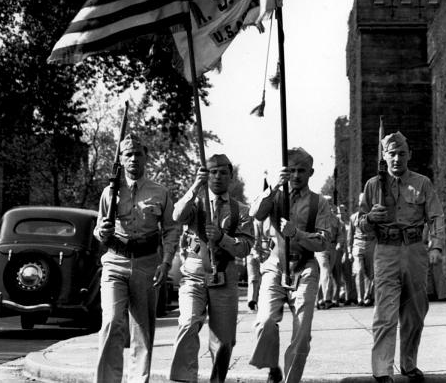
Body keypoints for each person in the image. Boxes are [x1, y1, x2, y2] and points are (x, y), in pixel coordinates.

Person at [357, 131, 444, 383]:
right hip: (386, 251)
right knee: (385, 313)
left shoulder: (422, 183)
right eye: (392, 154)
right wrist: (371, 218)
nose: (397, 158)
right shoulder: (373, 185)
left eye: (402, 154)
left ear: (409, 155)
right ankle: (383, 369)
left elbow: (436, 216)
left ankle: (408, 363)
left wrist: (436, 246)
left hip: (415, 250)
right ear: (384, 157)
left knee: (415, 311)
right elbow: (361, 223)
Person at [93, 134, 179, 383]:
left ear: (146, 158)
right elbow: (99, 229)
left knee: (143, 329)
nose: (133, 159)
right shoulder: (109, 193)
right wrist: (104, 232)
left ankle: (137, 380)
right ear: (120, 159)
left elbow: (172, 229)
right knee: (110, 322)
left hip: (147, 264)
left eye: (138, 154)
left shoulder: (159, 192)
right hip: (115, 262)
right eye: (127, 154)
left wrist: (166, 263)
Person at [249, 147, 335, 383]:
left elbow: (323, 241)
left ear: (311, 172)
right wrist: (275, 186)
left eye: (302, 170)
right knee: (265, 321)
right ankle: (271, 365)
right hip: (275, 264)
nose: (296, 176)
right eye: (292, 170)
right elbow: (256, 213)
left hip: (305, 267)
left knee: (302, 334)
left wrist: (297, 233)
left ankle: (290, 380)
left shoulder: (319, 203)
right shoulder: (275, 196)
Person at [168, 153, 253, 383]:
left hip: (225, 275)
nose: (217, 177)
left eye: (223, 172)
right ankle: (183, 380)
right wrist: (195, 185)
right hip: (194, 274)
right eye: (212, 172)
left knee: (224, 341)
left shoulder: (241, 211)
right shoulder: (195, 203)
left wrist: (224, 238)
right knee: (188, 323)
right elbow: (177, 215)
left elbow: (245, 248)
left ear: (230, 176)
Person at [350, 203, 375, 305]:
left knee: (370, 273)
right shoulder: (353, 217)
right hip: (358, 244)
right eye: (359, 204)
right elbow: (350, 235)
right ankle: (360, 298)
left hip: (371, 243)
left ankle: (367, 296)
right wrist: (348, 250)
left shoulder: (373, 217)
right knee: (359, 270)